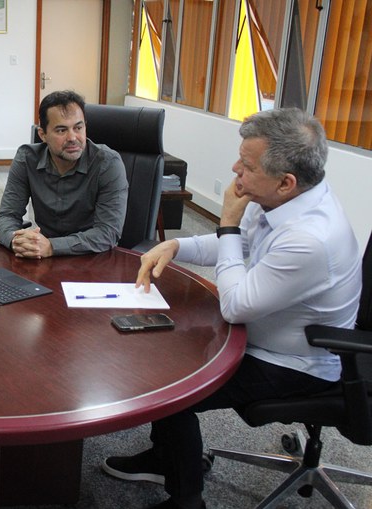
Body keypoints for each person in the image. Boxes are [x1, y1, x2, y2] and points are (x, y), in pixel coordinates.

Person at [101, 108, 362, 509]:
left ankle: (187, 500)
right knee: (160, 348)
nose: (235, 168)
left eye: (248, 165)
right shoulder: (283, 199)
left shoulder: (311, 239)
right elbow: (239, 246)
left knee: (172, 387)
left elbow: (236, 303)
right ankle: (165, 457)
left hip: (293, 362)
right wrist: (177, 245)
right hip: (264, 330)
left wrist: (226, 223)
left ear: (287, 182)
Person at [0, 90, 128, 258]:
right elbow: (8, 215)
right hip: (42, 257)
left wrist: (52, 246)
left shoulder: (108, 163)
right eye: (61, 130)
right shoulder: (27, 159)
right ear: (43, 135)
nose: (73, 137)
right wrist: (16, 241)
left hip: (93, 257)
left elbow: (108, 232)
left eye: (78, 127)